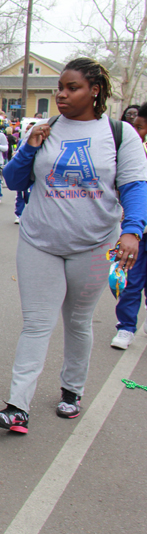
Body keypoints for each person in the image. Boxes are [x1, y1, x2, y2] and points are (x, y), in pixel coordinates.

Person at [0, 58, 147, 433]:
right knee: (36, 323)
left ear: (94, 90)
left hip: (94, 245)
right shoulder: (46, 129)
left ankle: (71, 391)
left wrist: (132, 231)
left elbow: (136, 188)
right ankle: (17, 406)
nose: (61, 93)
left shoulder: (119, 135)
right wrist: (30, 147)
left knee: (77, 321)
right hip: (40, 241)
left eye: (71, 87)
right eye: (59, 86)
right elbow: (12, 180)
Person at [111, 101, 147, 350]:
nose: (138, 132)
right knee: (130, 278)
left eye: (141, 127)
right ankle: (125, 327)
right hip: (136, 230)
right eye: (135, 126)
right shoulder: (131, 150)